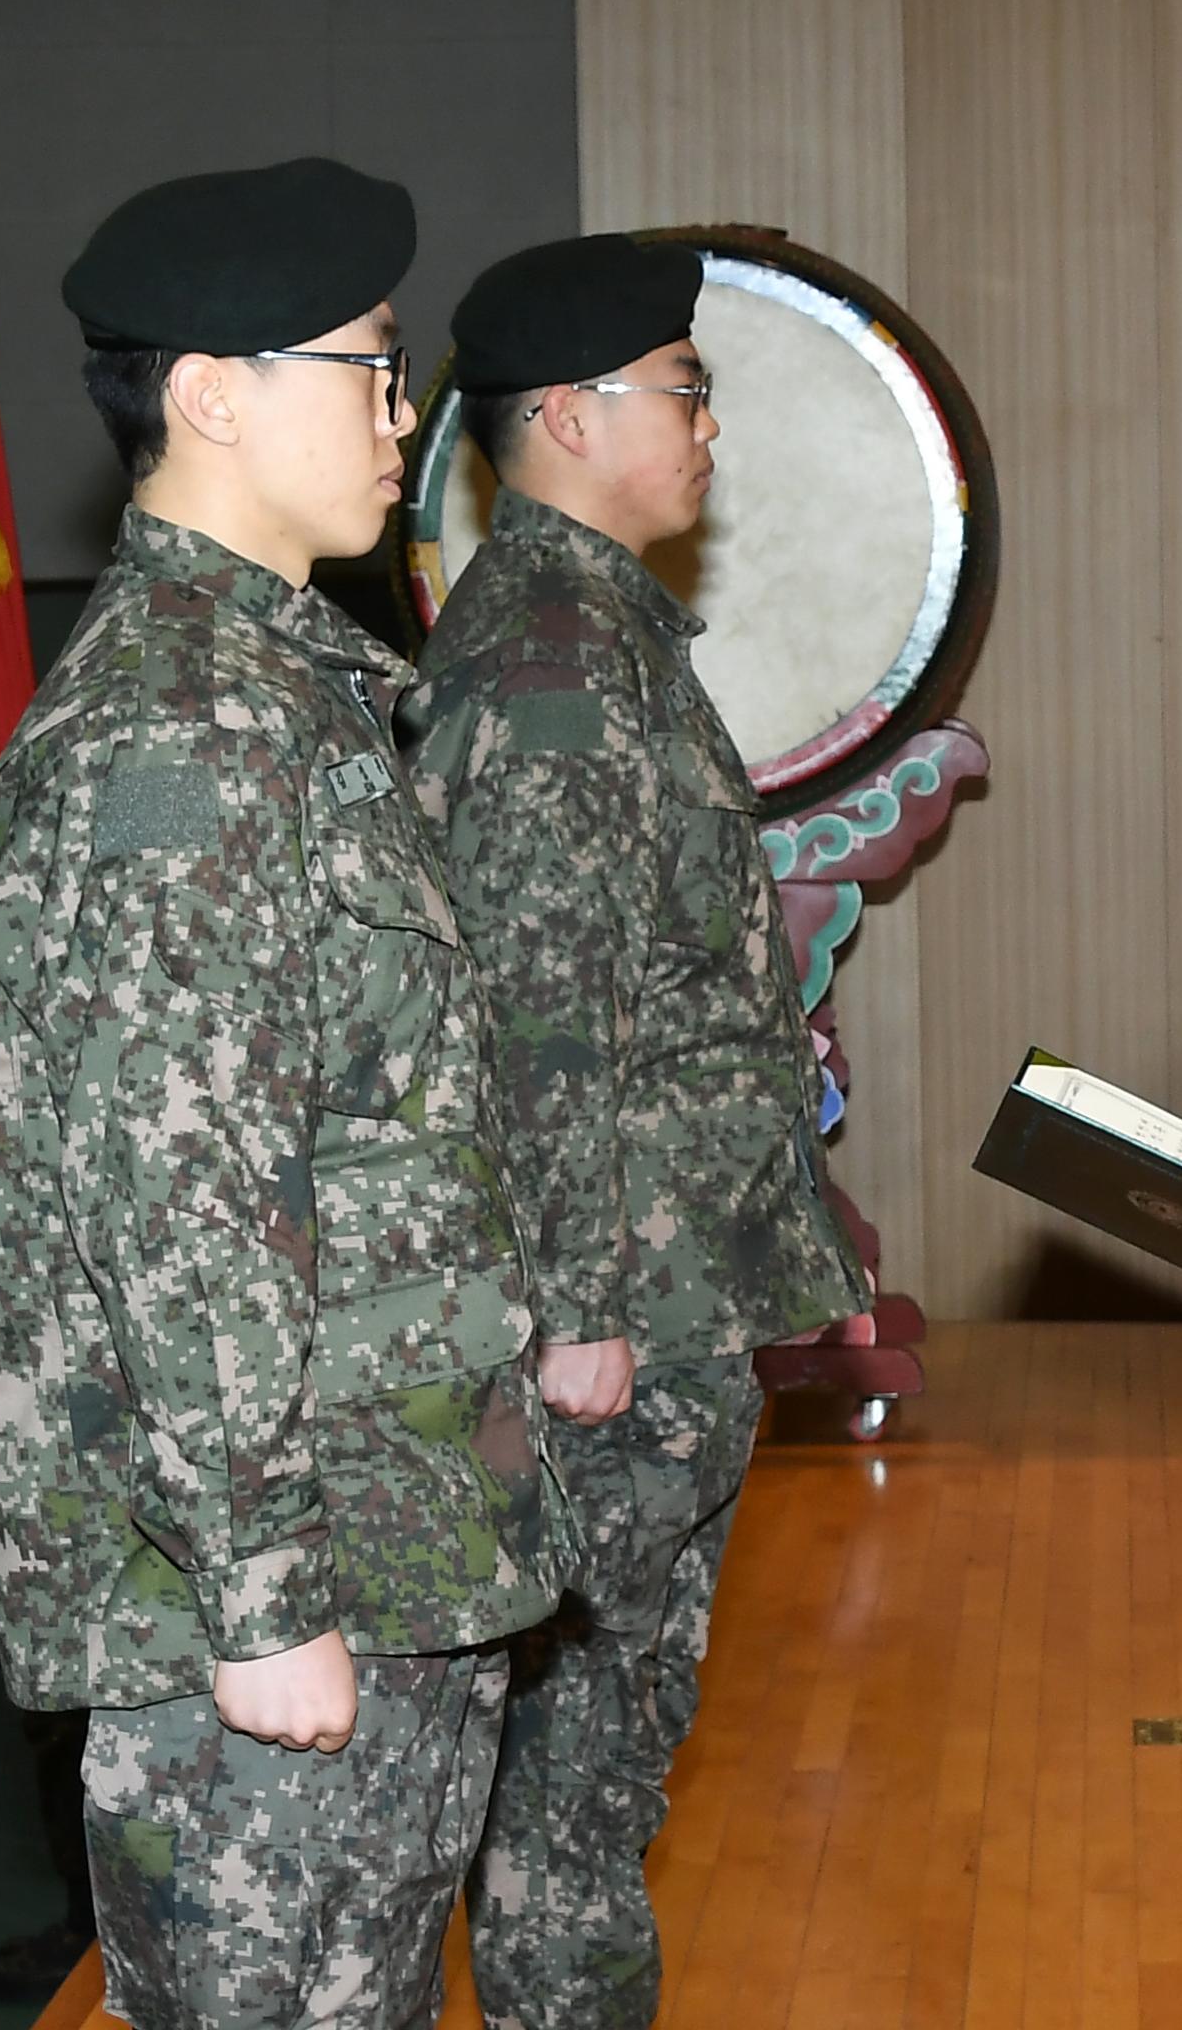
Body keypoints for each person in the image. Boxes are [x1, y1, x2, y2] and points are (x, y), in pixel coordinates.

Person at [0, 158, 565, 2030]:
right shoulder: (177, 735)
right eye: (368, 369)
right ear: (212, 392)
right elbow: (178, 1194)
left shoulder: (283, 696)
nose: (404, 418)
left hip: (381, 1533)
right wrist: (260, 1586)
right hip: (282, 1585)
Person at [401, 236, 870, 2030]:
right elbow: (537, 1010)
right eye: (684, 391)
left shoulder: (585, 627)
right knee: (569, 1789)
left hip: (665, 1291)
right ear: (572, 417)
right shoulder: (550, 658)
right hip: (620, 1325)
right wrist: (579, 1308)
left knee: (598, 1772)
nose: (708, 429)